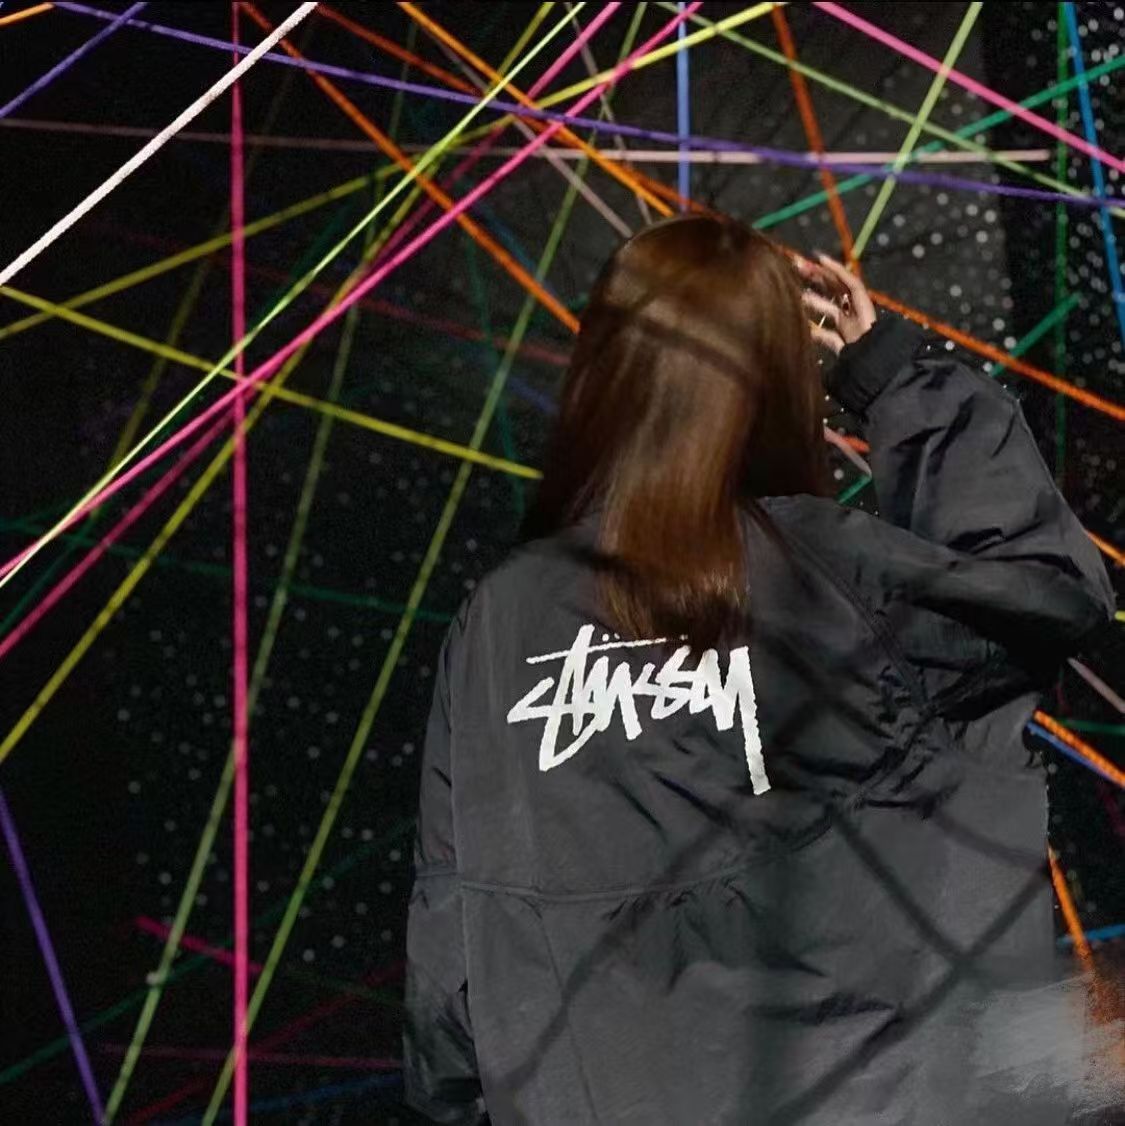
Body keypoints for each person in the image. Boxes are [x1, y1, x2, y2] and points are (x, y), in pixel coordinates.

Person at [402, 215, 1116, 1125]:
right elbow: (1043, 587)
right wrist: (894, 379)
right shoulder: (835, 577)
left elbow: (453, 932)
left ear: (604, 371)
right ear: (774, 378)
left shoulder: (500, 622)